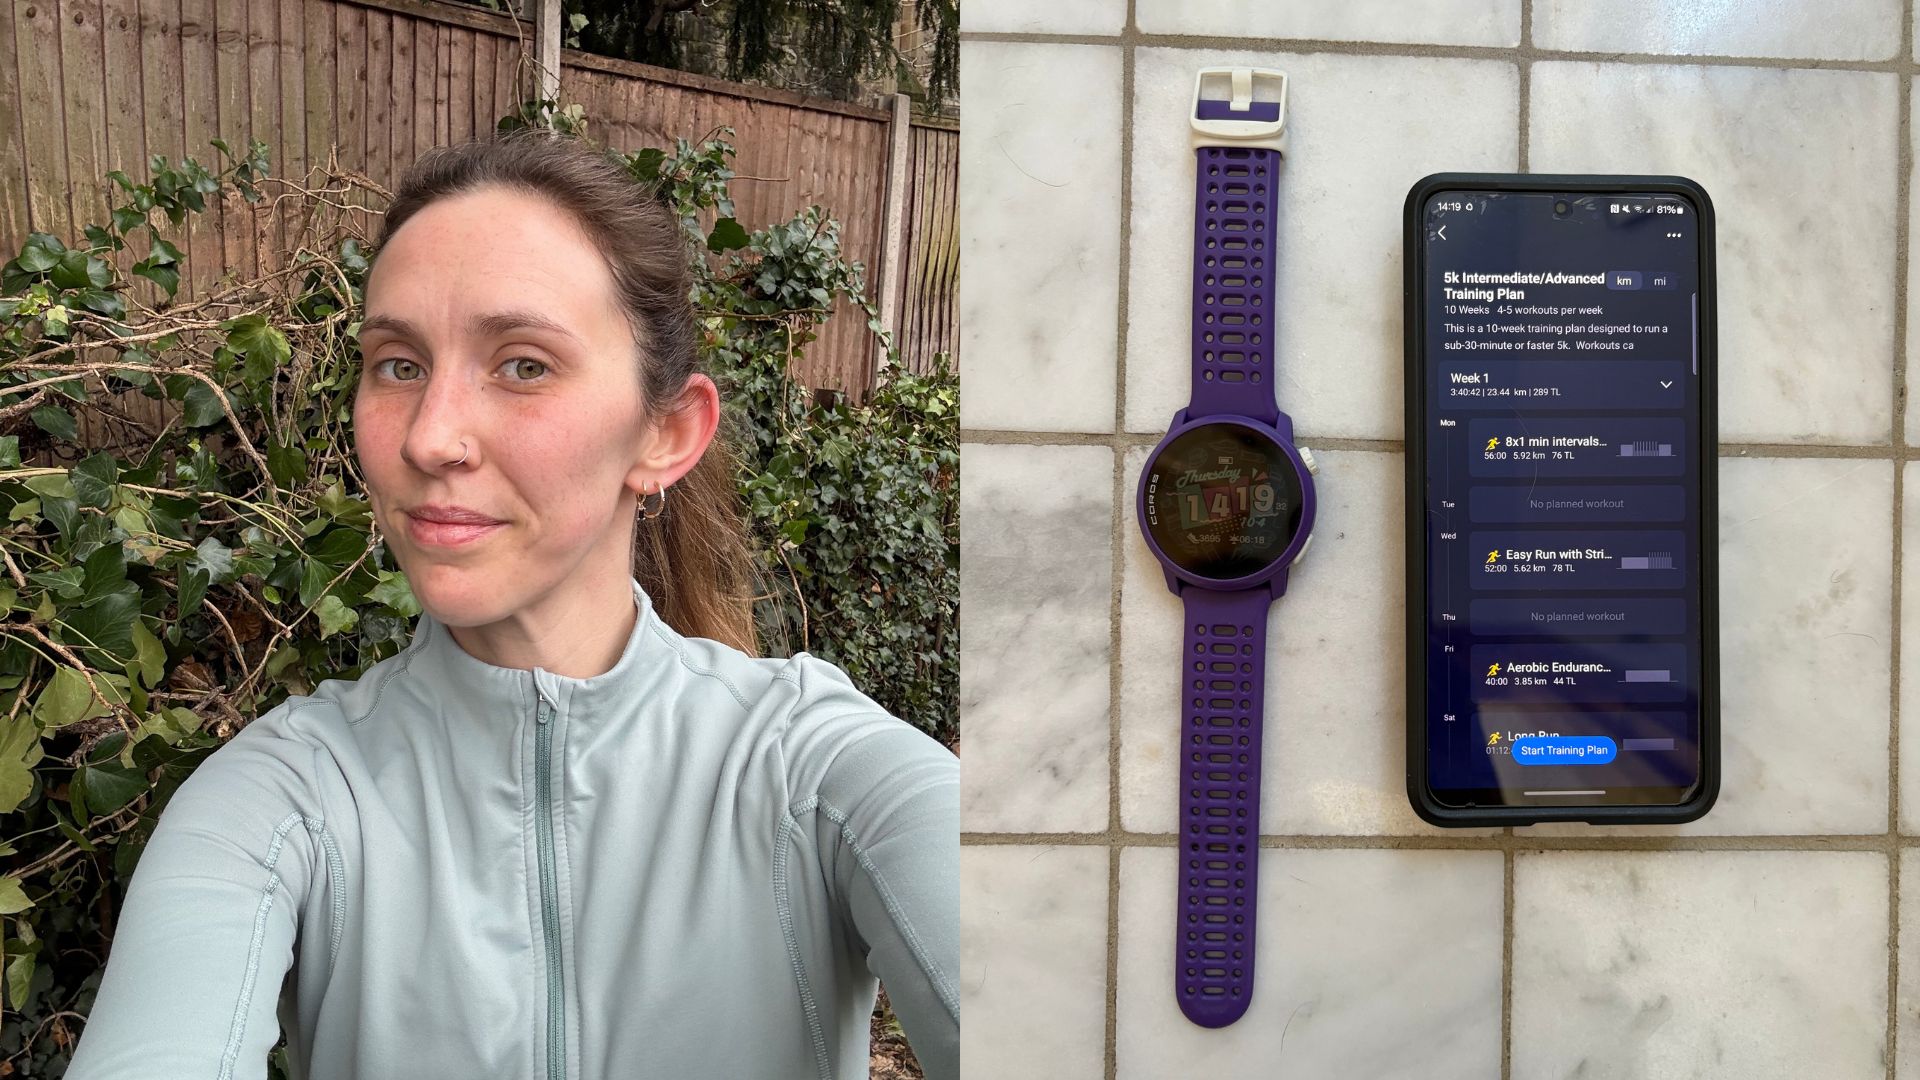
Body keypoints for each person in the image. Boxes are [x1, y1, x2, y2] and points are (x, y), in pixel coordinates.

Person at [64, 129, 959, 1080]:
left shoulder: (818, 768)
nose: (430, 439)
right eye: (399, 365)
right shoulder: (277, 800)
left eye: (523, 364)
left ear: (666, 432)